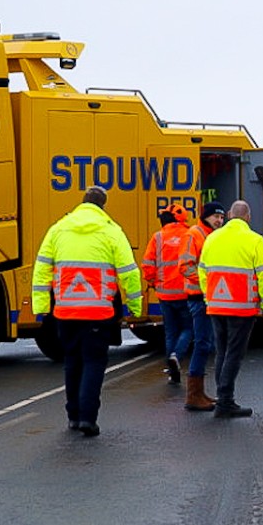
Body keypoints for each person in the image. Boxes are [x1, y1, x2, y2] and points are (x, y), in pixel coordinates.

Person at [31, 185, 141, 437]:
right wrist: (134, 307)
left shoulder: (58, 229)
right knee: (93, 362)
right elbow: (129, 273)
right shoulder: (111, 231)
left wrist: (41, 307)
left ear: (82, 202)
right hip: (98, 313)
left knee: (72, 361)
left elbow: (42, 268)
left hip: (66, 311)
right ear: (103, 205)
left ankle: (73, 416)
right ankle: (88, 419)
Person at [196, 200, 263, 418]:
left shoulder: (212, 238)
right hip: (242, 308)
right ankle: (225, 401)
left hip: (216, 306)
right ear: (248, 217)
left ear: (230, 215)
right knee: (234, 354)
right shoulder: (255, 241)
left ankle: (223, 398)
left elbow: (202, 272)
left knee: (222, 352)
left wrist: (209, 297)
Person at [139, 204, 195, 386]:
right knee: (188, 329)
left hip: (165, 294)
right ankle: (176, 356)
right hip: (185, 292)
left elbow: (147, 265)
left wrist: (153, 283)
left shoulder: (158, 237)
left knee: (170, 332)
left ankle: (172, 372)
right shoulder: (189, 235)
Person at [178, 202, 225, 412]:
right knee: (203, 343)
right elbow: (185, 266)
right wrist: (207, 281)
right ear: (206, 216)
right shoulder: (194, 234)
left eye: (222, 217)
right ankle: (194, 394)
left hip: (209, 296)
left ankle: (198, 392)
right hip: (198, 296)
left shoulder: (212, 235)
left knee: (207, 343)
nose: (219, 220)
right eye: (216, 216)